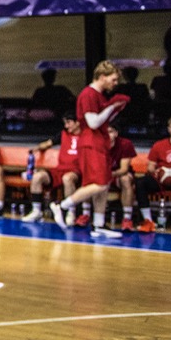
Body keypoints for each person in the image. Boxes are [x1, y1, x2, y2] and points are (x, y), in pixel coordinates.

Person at [50, 61, 128, 237]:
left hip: (100, 142)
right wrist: (112, 106)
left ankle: (99, 224)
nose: (116, 83)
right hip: (91, 143)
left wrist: (115, 109)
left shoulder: (99, 95)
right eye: (113, 79)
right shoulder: (88, 94)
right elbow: (93, 123)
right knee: (99, 184)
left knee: (104, 184)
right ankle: (61, 206)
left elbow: (103, 120)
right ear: (102, 77)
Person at [22, 115, 81, 222]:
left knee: (67, 178)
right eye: (65, 123)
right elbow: (48, 143)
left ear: (77, 122)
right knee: (37, 177)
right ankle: (36, 211)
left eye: (69, 122)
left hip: (76, 171)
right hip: (59, 170)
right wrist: (37, 148)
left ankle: (70, 212)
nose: (66, 126)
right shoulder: (63, 134)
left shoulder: (86, 135)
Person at [105, 123, 137, 231]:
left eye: (110, 132)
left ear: (116, 133)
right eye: (105, 132)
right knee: (89, 179)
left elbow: (124, 169)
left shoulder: (125, 144)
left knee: (126, 179)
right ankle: (88, 215)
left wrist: (107, 175)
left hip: (118, 174)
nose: (107, 135)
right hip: (103, 174)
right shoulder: (97, 145)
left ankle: (127, 218)